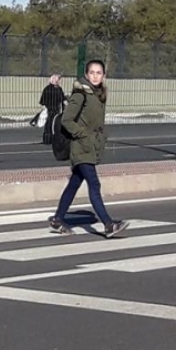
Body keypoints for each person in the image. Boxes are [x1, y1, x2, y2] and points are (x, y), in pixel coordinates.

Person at [48, 60, 129, 238]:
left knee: (74, 183)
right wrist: (83, 135)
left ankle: (57, 220)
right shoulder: (81, 94)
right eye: (91, 72)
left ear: (104, 76)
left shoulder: (99, 94)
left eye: (98, 73)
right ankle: (108, 224)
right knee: (94, 183)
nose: (95, 76)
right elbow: (67, 120)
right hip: (81, 146)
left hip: (91, 146)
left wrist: (101, 136)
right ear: (86, 74)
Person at [38, 73, 65, 144]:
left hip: (50, 110)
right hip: (54, 110)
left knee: (49, 124)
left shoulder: (47, 89)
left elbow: (42, 101)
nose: (59, 81)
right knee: (53, 124)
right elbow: (63, 100)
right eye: (58, 80)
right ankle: (53, 138)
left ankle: (47, 139)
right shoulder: (58, 89)